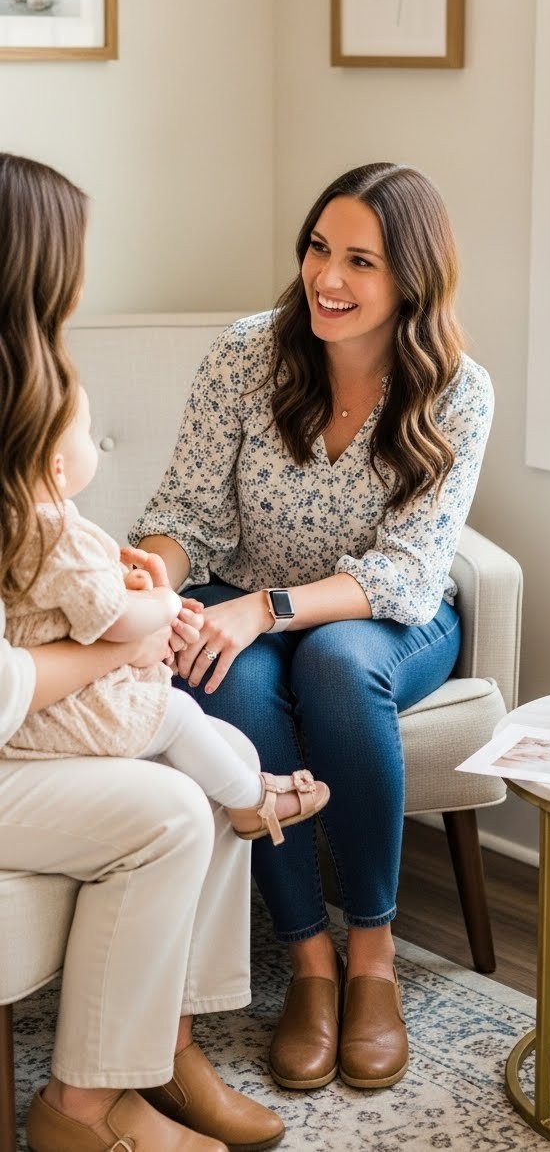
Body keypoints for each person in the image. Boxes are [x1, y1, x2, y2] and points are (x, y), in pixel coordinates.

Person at [132, 161, 495, 1093]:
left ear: (412, 278)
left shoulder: (458, 388)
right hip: (243, 593)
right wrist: (156, 586)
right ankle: (309, 963)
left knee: (333, 664)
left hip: (384, 620)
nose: (327, 278)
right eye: (319, 249)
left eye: (361, 261)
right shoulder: (247, 355)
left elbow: (410, 569)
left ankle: (372, 956)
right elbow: (187, 511)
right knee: (229, 677)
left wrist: (265, 609)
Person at [0, 151, 286, 1152]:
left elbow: (52, 571)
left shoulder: (26, 403)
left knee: (194, 764)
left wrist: (125, 601)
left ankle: (164, 1055)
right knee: (174, 802)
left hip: (26, 723)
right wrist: (131, 643)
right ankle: (83, 1108)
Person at [2, 381, 330, 847]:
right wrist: (164, 603)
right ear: (58, 468)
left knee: (202, 727)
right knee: (175, 712)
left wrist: (122, 584)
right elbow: (116, 622)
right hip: (59, 709)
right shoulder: (57, 532)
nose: (92, 439)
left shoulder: (16, 525)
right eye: (87, 431)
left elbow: (68, 599)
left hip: (34, 707)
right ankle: (253, 802)